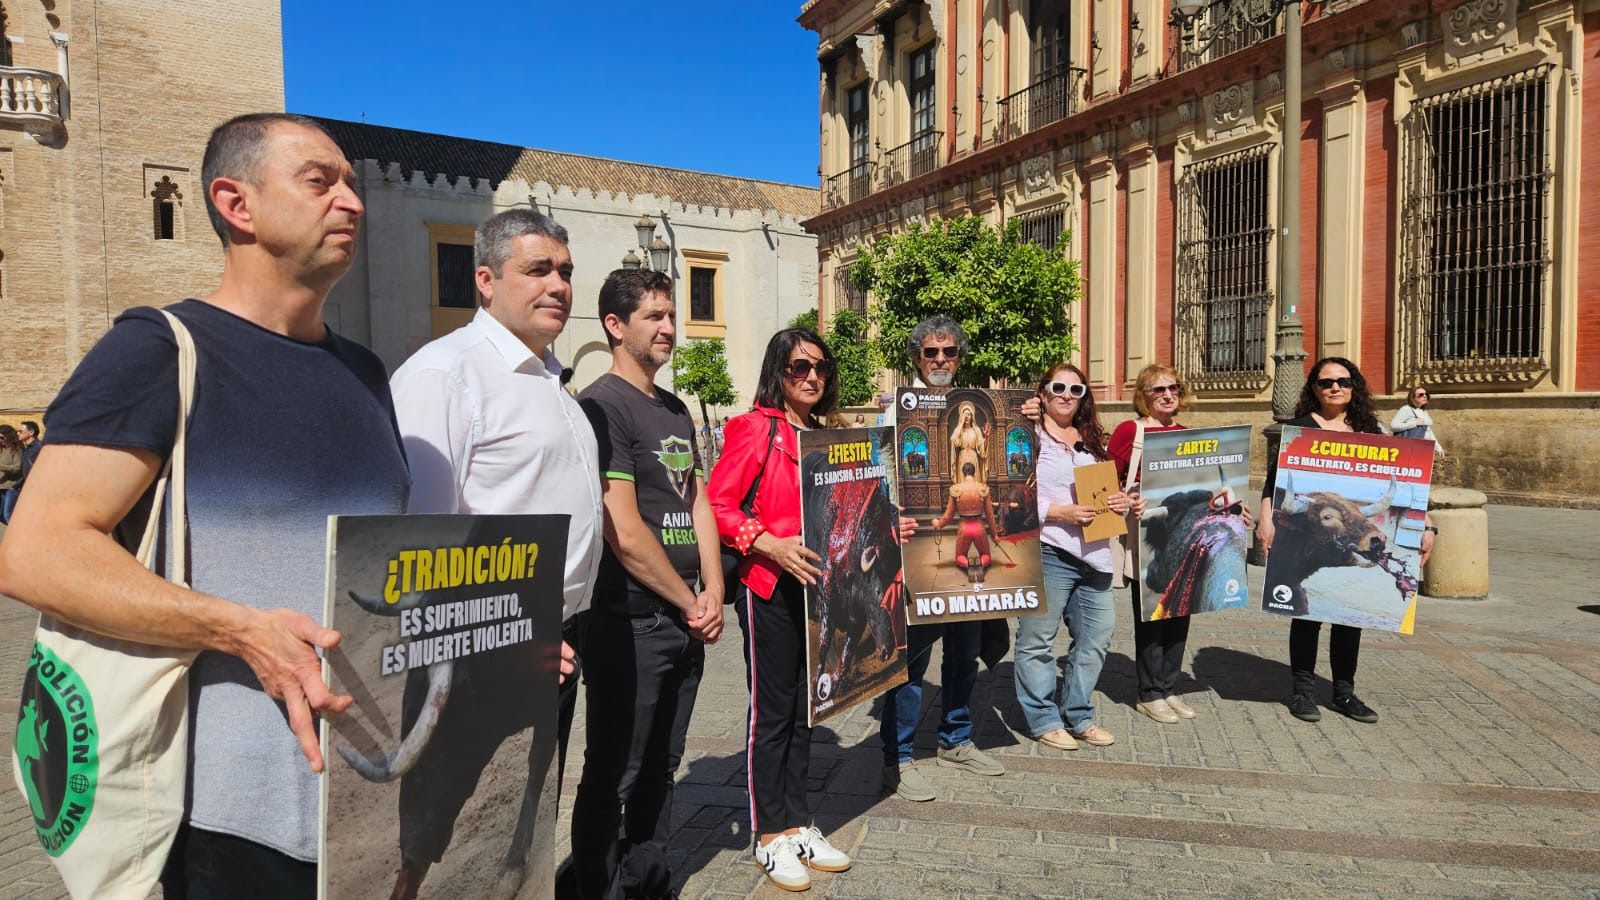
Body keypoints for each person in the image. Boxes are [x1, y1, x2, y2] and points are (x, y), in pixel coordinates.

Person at [0, 113, 409, 898]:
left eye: (354, 185)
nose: (353, 203)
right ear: (236, 204)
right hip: (228, 819)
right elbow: (35, 550)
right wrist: (240, 629)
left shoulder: (366, 373)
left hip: (364, 802)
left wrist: (495, 643)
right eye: (321, 181)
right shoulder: (156, 349)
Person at [388, 208, 602, 897]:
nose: (559, 286)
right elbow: (421, 543)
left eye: (565, 271)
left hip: (554, 643)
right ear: (485, 279)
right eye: (537, 270)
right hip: (475, 648)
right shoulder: (446, 374)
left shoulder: (553, 382)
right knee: (425, 835)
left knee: (525, 824)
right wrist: (509, 636)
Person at [571, 268, 724, 899]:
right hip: (629, 620)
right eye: (655, 316)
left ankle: (647, 881)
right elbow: (623, 529)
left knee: (664, 763)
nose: (669, 328)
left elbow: (698, 503)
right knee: (617, 770)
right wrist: (690, 601)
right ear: (615, 325)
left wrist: (714, 590)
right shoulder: (601, 406)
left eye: (671, 315)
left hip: (684, 618)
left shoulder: (675, 408)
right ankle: (597, 887)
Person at [708, 327, 852, 890]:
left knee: (806, 711)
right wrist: (765, 542)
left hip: (818, 589)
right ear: (779, 371)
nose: (812, 376)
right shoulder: (754, 429)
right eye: (799, 367)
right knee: (772, 713)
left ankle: (796, 824)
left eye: (819, 367)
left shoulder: (823, 435)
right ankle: (768, 833)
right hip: (768, 586)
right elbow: (715, 503)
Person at [1257, 357, 1436, 725]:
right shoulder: (1299, 429)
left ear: (1354, 386)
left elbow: (1408, 481)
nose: (1335, 387)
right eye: (1326, 383)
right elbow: (1272, 483)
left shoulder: (1372, 430)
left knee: (1347, 620)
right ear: (1314, 389)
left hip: (1346, 529)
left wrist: (1428, 525)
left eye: (1343, 380)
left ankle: (1343, 693)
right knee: (1304, 615)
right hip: (1308, 533)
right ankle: (1302, 691)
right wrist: (1264, 520)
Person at [877, 315, 1007, 805]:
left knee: (964, 647)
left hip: (970, 517)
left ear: (960, 356)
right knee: (910, 662)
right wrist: (891, 521)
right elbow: (879, 474)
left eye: (948, 352)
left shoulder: (971, 405)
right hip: (913, 548)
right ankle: (898, 757)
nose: (939, 361)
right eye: (930, 353)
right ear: (916, 357)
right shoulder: (895, 412)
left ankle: (956, 738)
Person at [1108, 364, 1250, 725]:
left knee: (1181, 614)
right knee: (1151, 617)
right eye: (1158, 390)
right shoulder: (1130, 431)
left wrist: (1236, 510)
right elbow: (1107, 479)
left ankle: (1168, 687)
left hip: (1185, 539)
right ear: (1144, 396)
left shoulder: (1187, 435)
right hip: (1147, 536)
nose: (1167, 395)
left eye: (1173, 388)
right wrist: (1128, 499)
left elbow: (1204, 494)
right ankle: (1148, 692)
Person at [1014, 363, 1144, 751]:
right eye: (1058, 387)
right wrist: (1058, 513)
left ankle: (1078, 714)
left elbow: (1108, 489)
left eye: (1076, 390)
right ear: (1042, 392)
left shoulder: (1091, 438)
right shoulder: (1026, 435)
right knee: (1038, 639)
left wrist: (1124, 501)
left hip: (1097, 554)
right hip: (1050, 548)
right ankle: (1042, 718)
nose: (1067, 395)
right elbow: (1009, 493)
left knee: (1096, 637)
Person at [1390, 386, 1445, 457]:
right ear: (1413, 397)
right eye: (1421, 395)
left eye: (1426, 394)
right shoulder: (1406, 409)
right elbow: (1393, 426)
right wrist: (1414, 423)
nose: (1424, 396)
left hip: (1422, 449)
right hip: (1410, 449)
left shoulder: (1423, 411)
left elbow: (1428, 431)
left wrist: (1438, 448)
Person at [0, 424, 22, 524]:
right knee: (1, 515)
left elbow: (17, 468)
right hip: (1, 486)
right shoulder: (1, 449)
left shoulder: (16, 449)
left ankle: (18, 536)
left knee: (7, 514)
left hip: (11, 487)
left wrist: (1, 466)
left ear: (9, 436)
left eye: (1, 437)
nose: (0, 440)